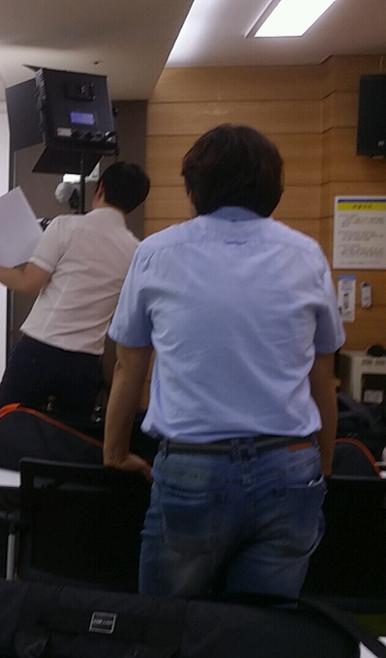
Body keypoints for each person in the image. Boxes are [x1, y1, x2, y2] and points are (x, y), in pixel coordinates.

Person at [103, 124, 343, 599]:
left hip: (194, 467)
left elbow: (129, 366)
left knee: (169, 625)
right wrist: (326, 463)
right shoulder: (307, 255)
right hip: (291, 465)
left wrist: (114, 452)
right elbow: (323, 376)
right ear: (273, 189)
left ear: (193, 189)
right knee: (260, 628)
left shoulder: (155, 253)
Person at [0, 162, 150, 420]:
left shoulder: (66, 226)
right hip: (85, 362)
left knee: (6, 429)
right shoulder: (136, 250)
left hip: (39, 350)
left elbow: (27, 282)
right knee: (69, 440)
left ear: (100, 188)